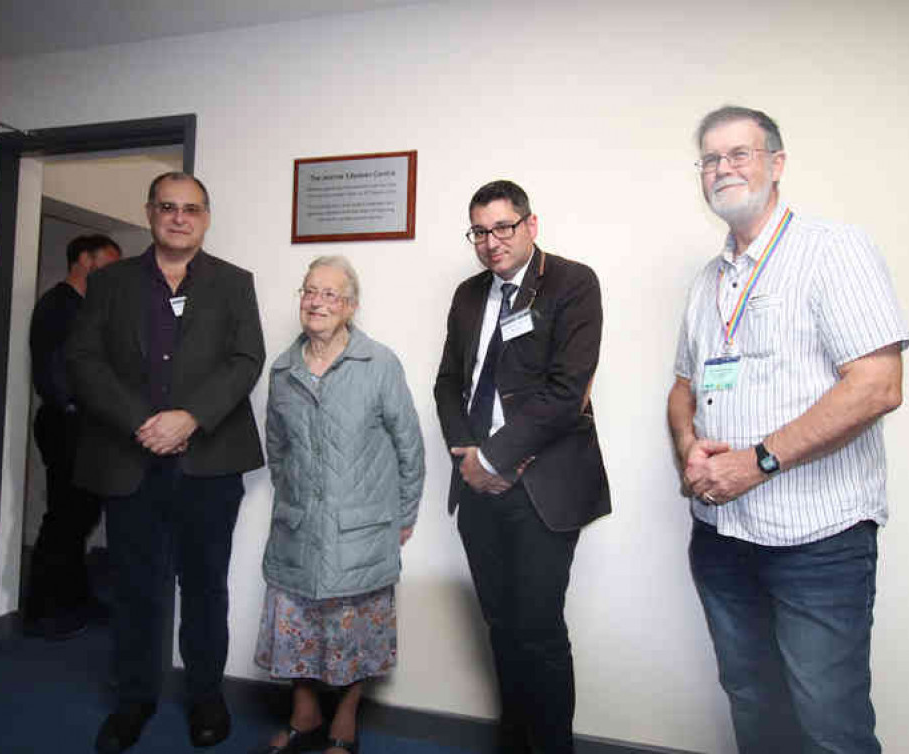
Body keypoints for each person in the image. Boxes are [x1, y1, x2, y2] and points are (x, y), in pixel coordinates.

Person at [667, 106, 909, 753]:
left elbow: (876, 384)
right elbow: (683, 388)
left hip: (816, 543)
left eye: (738, 154)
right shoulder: (707, 282)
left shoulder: (833, 249)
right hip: (722, 538)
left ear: (776, 164)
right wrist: (688, 446)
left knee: (829, 724)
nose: (722, 169)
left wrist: (758, 462)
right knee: (754, 707)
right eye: (710, 159)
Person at [67, 172, 266, 754]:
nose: (180, 218)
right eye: (168, 207)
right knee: (136, 589)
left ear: (206, 217)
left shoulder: (233, 283)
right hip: (129, 462)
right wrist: (141, 422)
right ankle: (133, 701)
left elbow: (245, 359)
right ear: (150, 212)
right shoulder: (110, 283)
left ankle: (206, 697)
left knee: (205, 588)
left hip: (209, 462)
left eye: (192, 209)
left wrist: (190, 417)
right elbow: (83, 359)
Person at [434, 180, 610, 754]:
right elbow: (449, 384)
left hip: (542, 488)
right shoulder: (467, 295)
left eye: (503, 228)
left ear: (531, 225)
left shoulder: (572, 283)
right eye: (480, 232)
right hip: (477, 486)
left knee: (538, 631)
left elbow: (566, 392)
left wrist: (495, 457)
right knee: (502, 629)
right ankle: (514, 743)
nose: (491, 243)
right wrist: (467, 453)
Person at [252, 255, 425, 754]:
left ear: (350, 306)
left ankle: (345, 720)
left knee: (357, 635)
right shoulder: (283, 370)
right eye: (309, 291)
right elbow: (277, 448)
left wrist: (405, 514)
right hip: (298, 526)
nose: (316, 301)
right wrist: (294, 501)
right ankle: (303, 715)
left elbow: (409, 446)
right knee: (295, 624)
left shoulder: (380, 364)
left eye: (330, 294)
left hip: (362, 527)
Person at [24, 233, 121, 641]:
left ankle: (76, 598)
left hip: (89, 427)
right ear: (84, 260)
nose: (115, 270)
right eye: (109, 262)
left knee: (82, 516)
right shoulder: (57, 305)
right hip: (66, 424)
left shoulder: (88, 307)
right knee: (65, 517)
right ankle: (44, 610)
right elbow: (54, 374)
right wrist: (77, 406)